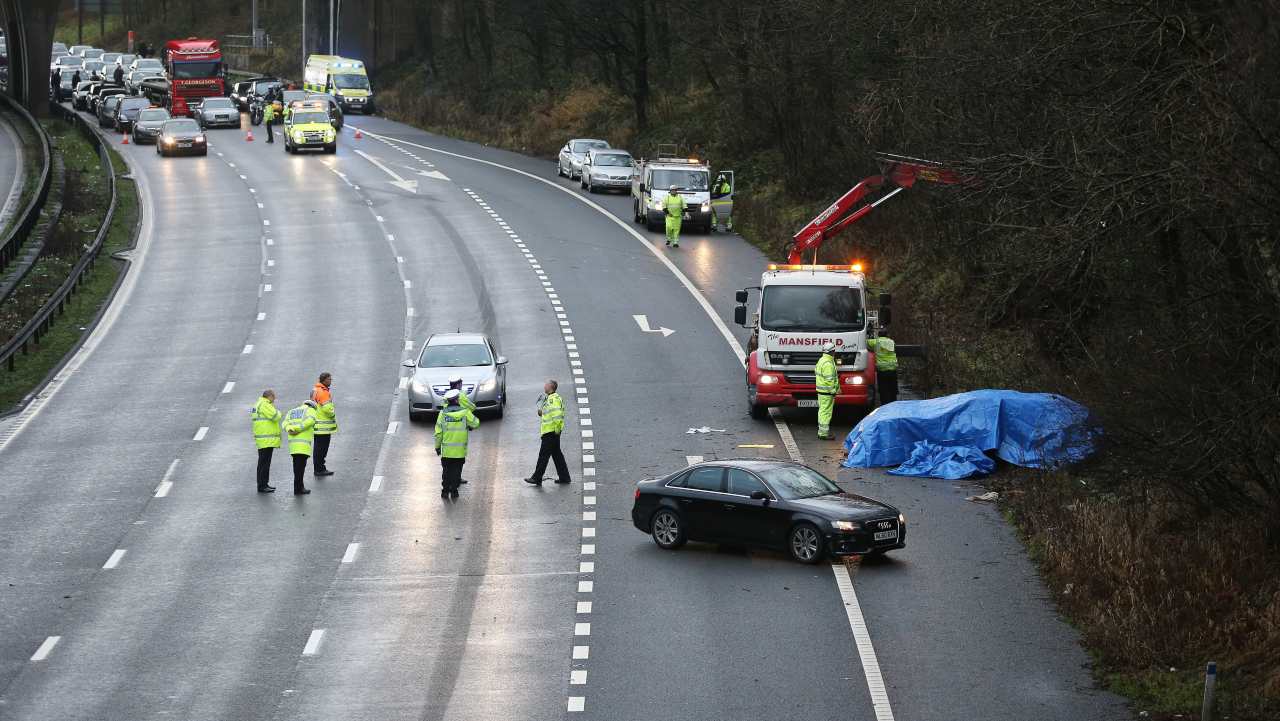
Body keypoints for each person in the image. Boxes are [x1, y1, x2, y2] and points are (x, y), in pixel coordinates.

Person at [525, 379, 571, 486]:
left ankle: (536, 478)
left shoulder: (553, 399)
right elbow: (550, 413)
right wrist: (542, 412)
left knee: (543, 455)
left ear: (550, 387)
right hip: (552, 432)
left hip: (551, 432)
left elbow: (557, 415)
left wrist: (557, 430)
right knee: (557, 455)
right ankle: (565, 477)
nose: (544, 386)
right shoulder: (550, 398)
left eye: (546, 384)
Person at [435, 389, 480, 497]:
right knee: (456, 471)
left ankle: (445, 491)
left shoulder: (442, 414)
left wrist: (437, 447)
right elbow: (476, 423)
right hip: (459, 451)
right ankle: (454, 491)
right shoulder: (465, 413)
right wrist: (468, 425)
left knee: (446, 471)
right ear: (457, 400)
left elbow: (438, 433)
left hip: (446, 451)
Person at [284, 399, 318, 495]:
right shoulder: (310, 410)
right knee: (300, 468)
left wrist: (290, 429)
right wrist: (298, 429)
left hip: (293, 444)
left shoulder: (292, 411)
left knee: (296, 467)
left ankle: (299, 487)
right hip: (303, 445)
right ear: (312, 406)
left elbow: (285, 423)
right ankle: (298, 489)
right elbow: (310, 421)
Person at [250, 389, 282, 493]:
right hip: (266, 438)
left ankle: (264, 484)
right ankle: (262, 485)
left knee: (263, 463)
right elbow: (275, 416)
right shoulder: (264, 404)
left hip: (263, 438)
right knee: (264, 463)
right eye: (274, 397)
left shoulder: (258, 404)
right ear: (270, 396)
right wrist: (278, 412)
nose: (274, 399)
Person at [311, 372, 337, 476]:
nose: (331, 381)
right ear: (324, 380)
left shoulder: (315, 390)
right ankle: (320, 469)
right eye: (329, 379)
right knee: (322, 449)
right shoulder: (323, 392)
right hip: (323, 426)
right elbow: (327, 409)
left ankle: (318, 468)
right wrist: (333, 414)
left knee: (317, 448)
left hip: (316, 424)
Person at [866, 333, 899, 405]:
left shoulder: (876, 342)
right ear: (887, 335)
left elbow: (866, 342)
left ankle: (885, 406)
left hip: (882, 370)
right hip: (893, 369)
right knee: (893, 390)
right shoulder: (891, 341)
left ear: (879, 335)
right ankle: (894, 405)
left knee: (883, 390)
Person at [815, 341, 838, 440]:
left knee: (822, 411)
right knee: (826, 412)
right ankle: (824, 434)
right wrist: (833, 391)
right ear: (832, 351)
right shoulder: (828, 363)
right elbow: (829, 380)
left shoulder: (821, 360)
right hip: (827, 392)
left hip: (822, 391)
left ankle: (821, 431)